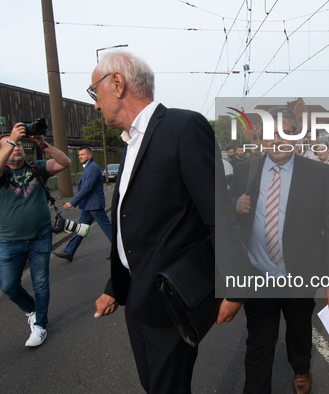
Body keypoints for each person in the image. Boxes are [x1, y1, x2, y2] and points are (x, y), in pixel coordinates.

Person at [88, 50, 244, 393]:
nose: (95, 105)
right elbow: (134, 220)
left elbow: (216, 211)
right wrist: (115, 286)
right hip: (136, 299)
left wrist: (235, 285)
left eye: (93, 92)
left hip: (170, 301)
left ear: (117, 83)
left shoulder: (182, 127)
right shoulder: (130, 143)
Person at [228, 106, 329, 394]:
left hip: (301, 273)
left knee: (299, 330)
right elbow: (221, 210)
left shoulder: (317, 173)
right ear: (261, 139)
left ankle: (301, 367)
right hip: (258, 274)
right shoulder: (246, 169)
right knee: (258, 343)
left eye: (286, 133)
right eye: (271, 134)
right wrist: (234, 206)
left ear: (297, 137)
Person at [0, 124, 71, 347]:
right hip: (11, 240)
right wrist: (11, 139)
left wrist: (43, 143)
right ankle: (32, 309)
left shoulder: (36, 167)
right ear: (1, 152)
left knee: (41, 283)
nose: (16, 148)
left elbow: (64, 162)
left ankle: (40, 325)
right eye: (11, 145)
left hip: (40, 237)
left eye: (19, 144)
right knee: (9, 287)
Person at [53, 146, 112, 262]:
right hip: (87, 206)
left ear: (89, 155)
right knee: (80, 230)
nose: (80, 157)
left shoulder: (93, 168)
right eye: (79, 155)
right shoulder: (88, 167)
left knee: (108, 229)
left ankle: (121, 251)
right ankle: (69, 252)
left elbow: (87, 188)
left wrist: (72, 202)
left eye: (82, 154)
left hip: (94, 206)